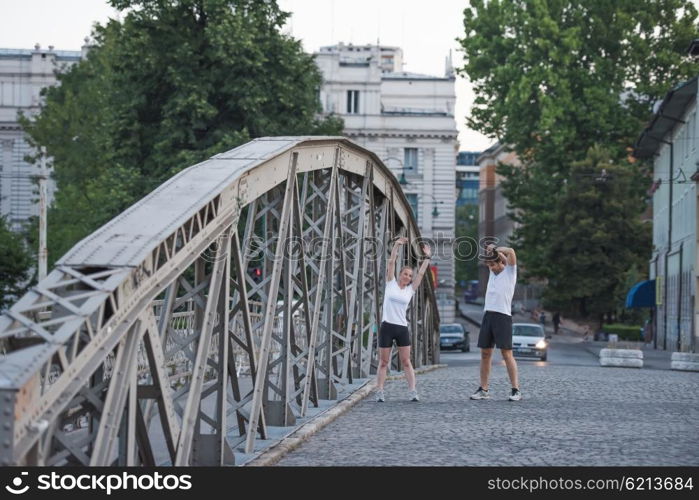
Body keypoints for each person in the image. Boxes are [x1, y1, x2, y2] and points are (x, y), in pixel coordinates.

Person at [375, 237, 432, 402]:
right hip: (387, 326)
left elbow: (421, 273)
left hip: (401, 328)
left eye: (409, 275)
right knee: (384, 361)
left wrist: (427, 257)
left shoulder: (410, 290)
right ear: (400, 275)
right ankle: (380, 391)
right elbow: (392, 262)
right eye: (405, 274)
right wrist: (397, 246)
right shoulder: (390, 283)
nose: (407, 277)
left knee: (406, 361)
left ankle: (413, 391)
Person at [470, 244, 521, 402]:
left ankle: (515, 390)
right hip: (488, 315)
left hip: (503, 316)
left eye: (494, 265)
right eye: (489, 266)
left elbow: (511, 252)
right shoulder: (493, 273)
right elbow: (491, 257)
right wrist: (491, 252)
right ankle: (484, 389)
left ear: (501, 263)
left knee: (507, 354)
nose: (491, 268)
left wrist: (497, 249)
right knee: (485, 354)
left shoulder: (510, 272)